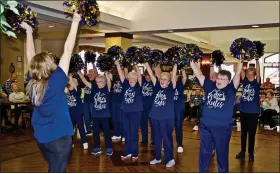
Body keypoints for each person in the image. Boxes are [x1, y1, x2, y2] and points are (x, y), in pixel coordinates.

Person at [22, 12, 81, 172]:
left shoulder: (32, 83)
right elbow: (68, 49)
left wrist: (28, 31)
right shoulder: (56, 81)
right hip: (60, 137)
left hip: (42, 139)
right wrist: (75, 21)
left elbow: (29, 56)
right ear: (48, 65)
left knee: (54, 168)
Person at [190, 59, 243, 172]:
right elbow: (199, 74)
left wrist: (241, 59)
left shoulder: (231, 88)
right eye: (218, 78)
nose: (219, 80)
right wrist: (191, 61)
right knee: (204, 152)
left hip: (222, 127)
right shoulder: (210, 86)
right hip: (206, 126)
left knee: (222, 153)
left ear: (228, 81)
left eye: (222, 79)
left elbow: (238, 74)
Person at [145, 62, 177, 168]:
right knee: (156, 138)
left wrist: (176, 63)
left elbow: (174, 76)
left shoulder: (171, 88)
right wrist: (146, 62)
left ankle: (170, 159)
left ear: (169, 82)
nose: (162, 81)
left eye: (165, 79)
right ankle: (157, 157)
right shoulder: (157, 87)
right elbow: (151, 73)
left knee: (166, 138)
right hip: (154, 116)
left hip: (166, 118)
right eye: (161, 79)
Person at [78, 71, 113, 156]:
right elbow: (84, 81)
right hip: (95, 115)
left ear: (104, 82)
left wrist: (107, 72)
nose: (98, 83)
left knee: (107, 132)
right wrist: (78, 72)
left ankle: (109, 148)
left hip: (105, 115)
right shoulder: (94, 88)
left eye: (100, 82)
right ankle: (97, 147)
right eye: (97, 82)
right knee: (96, 132)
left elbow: (109, 81)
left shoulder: (107, 88)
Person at [115, 61, 143, 162]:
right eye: (130, 78)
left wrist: (135, 63)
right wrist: (118, 64)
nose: (131, 80)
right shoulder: (126, 84)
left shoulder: (138, 86)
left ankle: (134, 153)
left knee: (134, 132)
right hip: (125, 111)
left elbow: (139, 75)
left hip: (135, 112)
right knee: (126, 132)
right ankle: (128, 152)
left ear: (136, 79)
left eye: (133, 78)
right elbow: (120, 73)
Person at [236, 59, 261, 162]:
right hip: (244, 110)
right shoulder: (245, 81)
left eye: (252, 74)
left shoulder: (257, 82)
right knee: (243, 132)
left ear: (254, 75)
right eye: (248, 74)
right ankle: (242, 151)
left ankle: (251, 153)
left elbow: (259, 71)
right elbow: (241, 70)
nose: (250, 76)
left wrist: (257, 60)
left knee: (252, 133)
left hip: (253, 111)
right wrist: (240, 59)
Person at [66, 75, 88, 149]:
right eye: (69, 82)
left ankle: (84, 141)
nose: (70, 83)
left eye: (72, 82)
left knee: (80, 126)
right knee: (70, 128)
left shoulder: (78, 90)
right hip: (70, 112)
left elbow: (72, 81)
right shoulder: (67, 91)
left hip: (78, 112)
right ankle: (71, 142)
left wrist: (70, 74)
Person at [140, 70, 155, 146]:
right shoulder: (142, 81)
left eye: (148, 75)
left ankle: (154, 140)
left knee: (153, 124)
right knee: (143, 123)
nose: (147, 77)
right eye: (146, 75)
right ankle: (144, 139)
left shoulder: (155, 83)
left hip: (152, 107)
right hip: (143, 107)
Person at [110, 67, 126, 142]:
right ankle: (117, 134)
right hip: (113, 101)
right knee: (115, 118)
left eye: (121, 70)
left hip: (121, 101)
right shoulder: (114, 78)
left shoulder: (125, 79)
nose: (120, 72)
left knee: (121, 119)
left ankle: (124, 134)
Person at [83, 68, 97, 136]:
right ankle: (88, 130)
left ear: (94, 75)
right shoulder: (86, 81)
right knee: (86, 116)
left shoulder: (96, 81)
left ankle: (95, 129)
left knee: (93, 116)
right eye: (89, 74)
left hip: (92, 102)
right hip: (85, 101)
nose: (90, 75)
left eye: (92, 74)